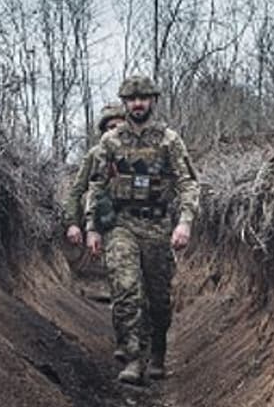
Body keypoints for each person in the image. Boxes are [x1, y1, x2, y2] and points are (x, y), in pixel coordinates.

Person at [85, 75, 199, 385]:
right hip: (121, 225)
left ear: (153, 101)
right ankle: (133, 358)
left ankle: (157, 352)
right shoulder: (110, 142)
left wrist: (185, 221)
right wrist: (92, 227)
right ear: (124, 103)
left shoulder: (168, 140)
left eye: (143, 98)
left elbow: (187, 183)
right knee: (125, 290)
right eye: (132, 99)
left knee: (158, 298)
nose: (138, 104)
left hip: (158, 226)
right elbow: (96, 185)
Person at [63, 103, 126, 247]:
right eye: (111, 127)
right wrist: (71, 224)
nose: (116, 131)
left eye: (120, 126)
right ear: (104, 131)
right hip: (100, 219)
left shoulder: (138, 154)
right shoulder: (95, 155)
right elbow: (76, 191)